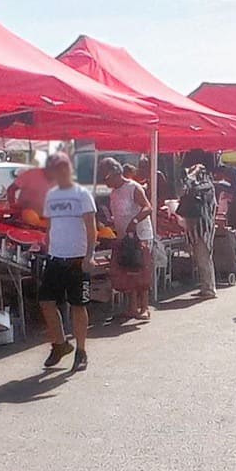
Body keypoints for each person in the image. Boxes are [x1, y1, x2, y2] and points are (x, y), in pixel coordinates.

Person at [37, 153, 96, 372]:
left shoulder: (82, 194)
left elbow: (91, 227)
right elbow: (51, 226)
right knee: (46, 301)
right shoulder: (51, 195)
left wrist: (89, 255)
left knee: (78, 305)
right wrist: (46, 244)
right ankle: (60, 344)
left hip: (76, 258)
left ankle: (81, 351)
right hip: (55, 257)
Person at [100, 157, 154, 322]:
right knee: (128, 271)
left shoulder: (133, 187)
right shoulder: (114, 193)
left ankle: (144, 307)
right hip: (124, 237)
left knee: (140, 269)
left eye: (106, 178)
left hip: (140, 235)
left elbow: (147, 208)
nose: (105, 182)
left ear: (115, 174)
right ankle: (132, 307)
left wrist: (135, 221)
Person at [178, 156, 219, 298]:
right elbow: (182, 191)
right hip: (195, 228)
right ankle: (206, 286)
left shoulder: (205, 187)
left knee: (204, 257)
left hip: (203, 228)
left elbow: (187, 187)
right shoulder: (199, 186)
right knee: (201, 258)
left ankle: (209, 288)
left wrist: (192, 174)